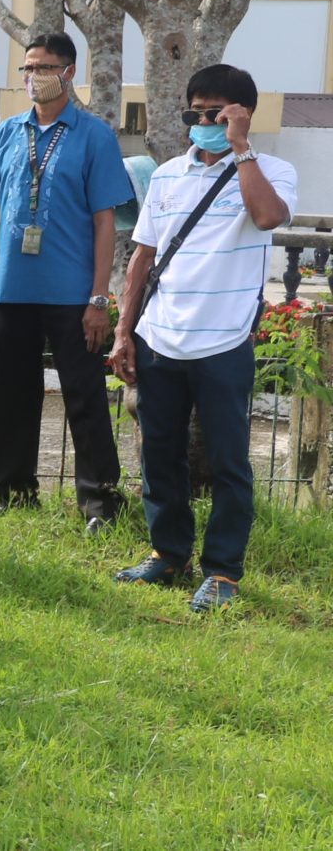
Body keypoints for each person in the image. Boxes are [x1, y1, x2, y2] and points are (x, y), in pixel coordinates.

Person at [108, 64, 295, 614]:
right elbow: (143, 256)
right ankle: (168, 556)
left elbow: (267, 217)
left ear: (243, 113)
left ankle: (223, 572)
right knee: (159, 456)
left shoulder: (271, 170)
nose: (204, 121)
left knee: (228, 461)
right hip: (160, 337)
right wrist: (124, 331)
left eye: (216, 112)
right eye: (196, 112)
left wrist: (240, 150)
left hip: (225, 341)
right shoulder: (166, 174)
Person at [0, 33, 135, 527]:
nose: (34, 76)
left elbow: (106, 222)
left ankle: (99, 502)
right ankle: (13, 493)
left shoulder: (93, 135)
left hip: (73, 294)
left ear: (68, 72)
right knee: (14, 393)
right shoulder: (7, 133)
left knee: (84, 394)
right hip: (14, 289)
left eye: (44, 67)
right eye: (27, 67)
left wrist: (98, 298)